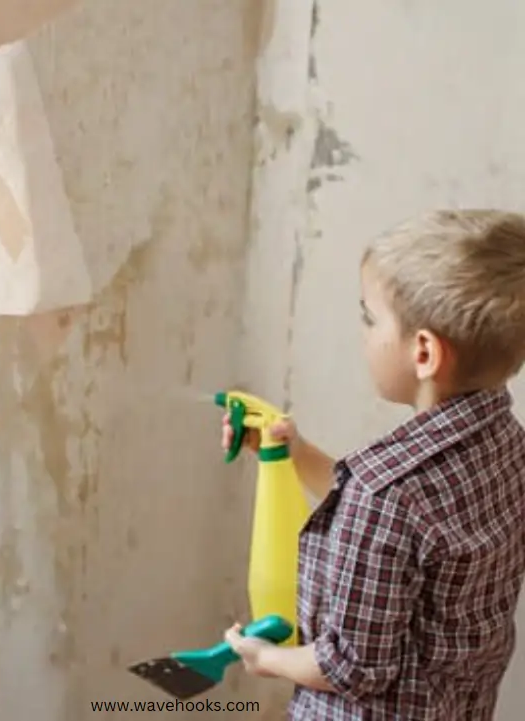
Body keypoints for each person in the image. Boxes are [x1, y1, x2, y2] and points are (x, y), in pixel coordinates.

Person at [222, 209, 525, 720]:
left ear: (424, 352)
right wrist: (298, 454)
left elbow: (352, 668)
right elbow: (406, 532)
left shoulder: (382, 494)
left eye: (370, 317)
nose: (363, 334)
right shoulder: (505, 443)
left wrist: (268, 658)